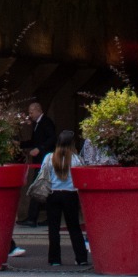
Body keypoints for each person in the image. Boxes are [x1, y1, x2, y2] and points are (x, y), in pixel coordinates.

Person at [37, 129, 88, 267]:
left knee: (53, 228)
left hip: (53, 193)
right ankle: (81, 258)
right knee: (74, 227)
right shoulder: (76, 159)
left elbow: (43, 174)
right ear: (72, 143)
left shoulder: (49, 157)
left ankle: (54, 259)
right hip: (70, 194)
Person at [22, 100, 57, 225]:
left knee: (39, 188)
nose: (30, 115)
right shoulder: (36, 124)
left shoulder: (46, 122)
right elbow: (34, 141)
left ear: (38, 110)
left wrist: (40, 149)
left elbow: (52, 138)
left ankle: (34, 218)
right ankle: (34, 217)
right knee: (39, 188)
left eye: (31, 112)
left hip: (45, 161)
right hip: (39, 161)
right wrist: (20, 144)